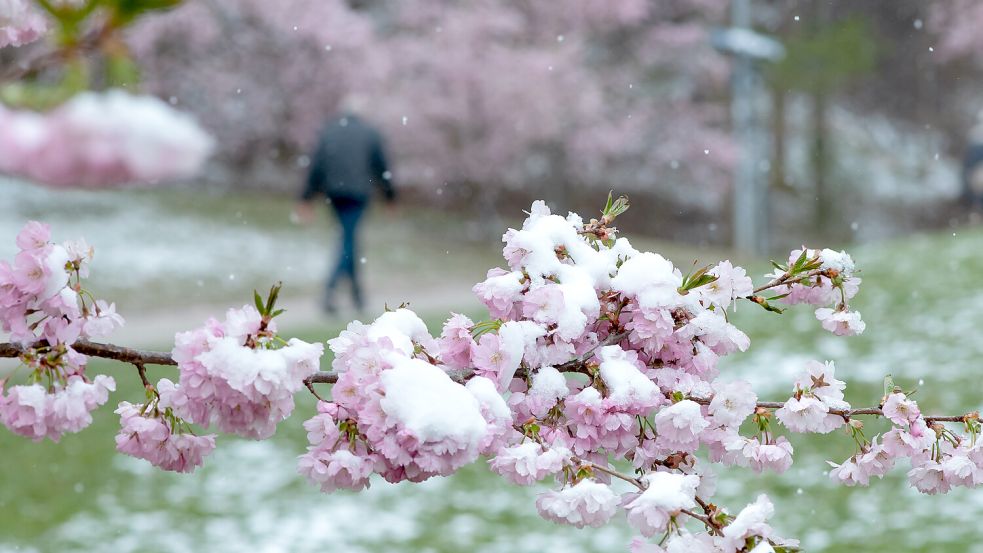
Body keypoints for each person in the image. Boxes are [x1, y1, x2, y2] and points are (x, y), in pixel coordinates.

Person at [295, 102, 395, 314]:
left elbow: (317, 165)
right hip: (358, 194)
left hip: (335, 193)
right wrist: (389, 196)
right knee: (349, 241)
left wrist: (306, 197)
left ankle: (357, 296)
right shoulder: (369, 133)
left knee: (349, 240)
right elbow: (381, 166)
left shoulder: (329, 131)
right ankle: (330, 292)